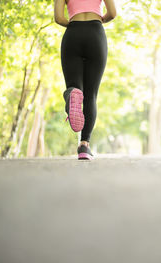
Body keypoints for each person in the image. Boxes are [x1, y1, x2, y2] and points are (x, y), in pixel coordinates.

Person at [54, 0, 117, 160]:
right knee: (91, 94)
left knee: (74, 88)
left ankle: (71, 95)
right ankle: (84, 145)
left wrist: (75, 25)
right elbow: (112, 13)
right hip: (95, 33)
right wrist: (99, 20)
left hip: (73, 34)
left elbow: (59, 18)